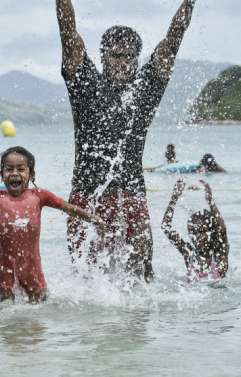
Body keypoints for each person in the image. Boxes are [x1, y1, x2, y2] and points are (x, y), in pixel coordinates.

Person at [56, 0, 197, 281]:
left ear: (137, 59)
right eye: (116, 55)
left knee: (143, 275)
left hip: (131, 195)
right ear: (103, 56)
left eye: (129, 57)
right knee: (86, 279)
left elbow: (172, 41)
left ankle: (138, 326)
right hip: (87, 198)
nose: (122, 63)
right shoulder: (85, 83)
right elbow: (68, 33)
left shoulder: (145, 88)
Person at [0, 146, 105, 303]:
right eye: (9, 169)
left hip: (33, 273)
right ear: (1, 174)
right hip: (6, 273)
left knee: (38, 314)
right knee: (6, 316)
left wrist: (93, 219)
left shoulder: (39, 196)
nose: (14, 173)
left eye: (21, 169)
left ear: (31, 174)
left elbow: (68, 207)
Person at [161, 179, 229, 280]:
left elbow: (222, 229)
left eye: (201, 232)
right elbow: (166, 227)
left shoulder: (219, 255)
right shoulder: (189, 253)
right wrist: (174, 198)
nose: (197, 237)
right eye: (193, 232)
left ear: (211, 232)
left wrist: (211, 202)